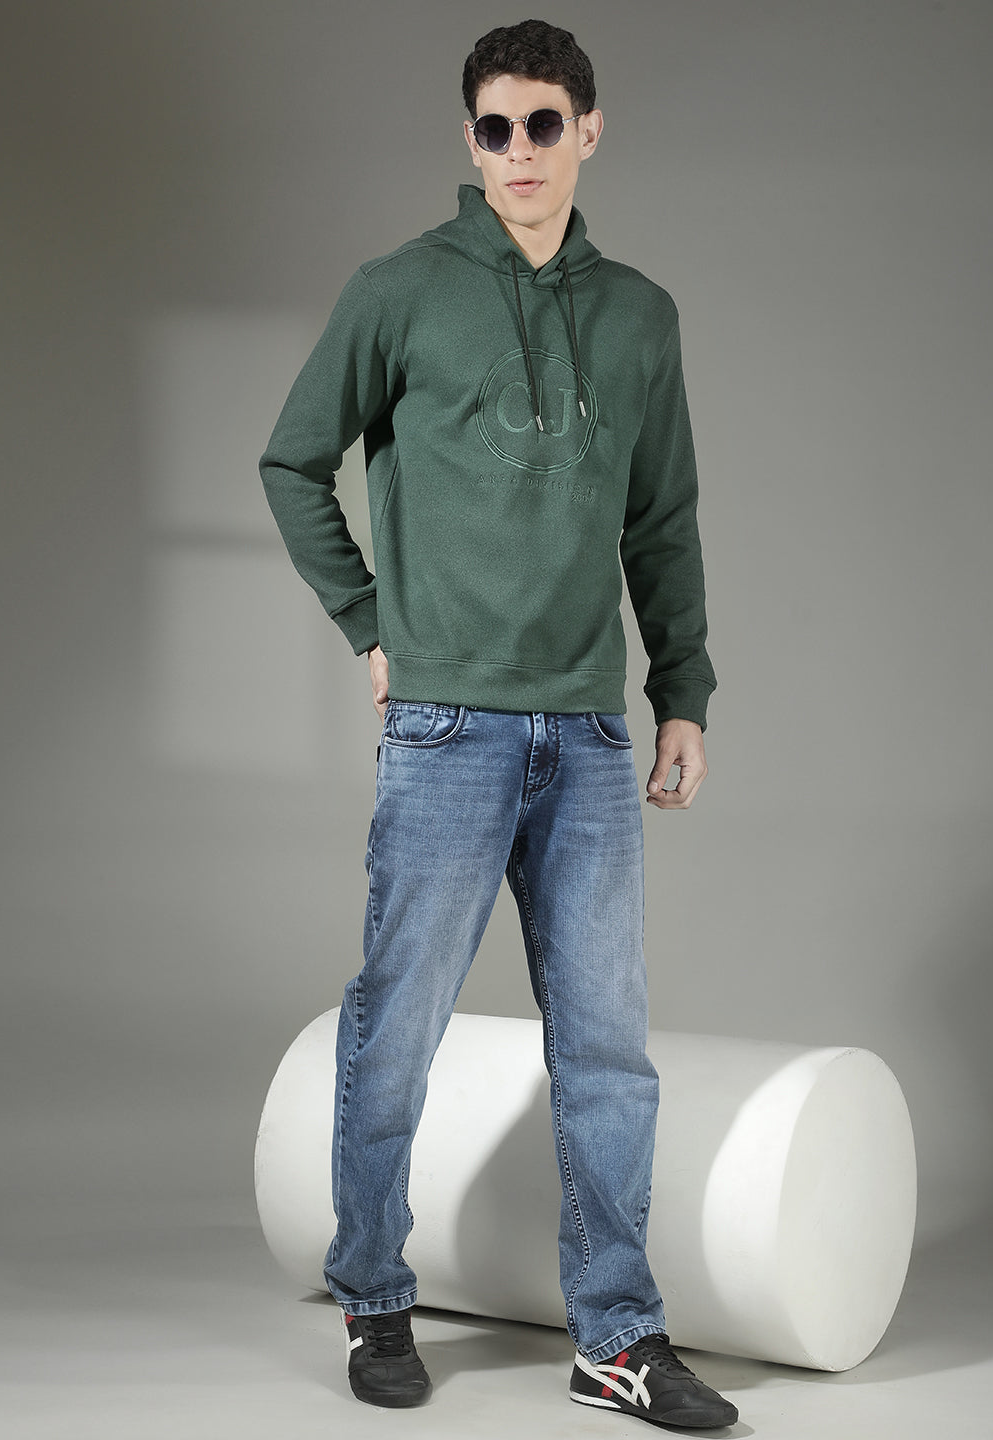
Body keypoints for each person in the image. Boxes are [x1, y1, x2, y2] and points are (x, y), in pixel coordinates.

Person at [259, 18, 738, 1431]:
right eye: (494, 128)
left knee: (608, 1053)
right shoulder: (402, 290)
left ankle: (617, 1338)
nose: (518, 151)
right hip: (449, 731)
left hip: (587, 734)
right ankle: (373, 1292)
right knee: (396, 1027)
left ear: (589, 131)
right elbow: (292, 462)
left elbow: (665, 519)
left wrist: (684, 692)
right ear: (469, 142)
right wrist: (371, 625)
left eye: (543, 124)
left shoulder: (640, 316)